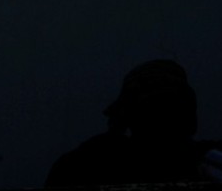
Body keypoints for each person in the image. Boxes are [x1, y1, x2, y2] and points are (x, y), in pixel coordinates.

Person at [45, 59, 209, 187]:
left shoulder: (87, 163)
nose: (163, 123)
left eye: (171, 109)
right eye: (152, 110)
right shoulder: (88, 163)